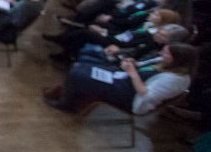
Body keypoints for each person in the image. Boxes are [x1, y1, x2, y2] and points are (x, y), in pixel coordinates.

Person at [45, 43, 195, 115]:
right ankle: (64, 94)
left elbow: (147, 95)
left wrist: (132, 73)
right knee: (80, 66)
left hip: (129, 96)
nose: (162, 53)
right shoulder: (165, 62)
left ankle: (66, 105)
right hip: (122, 81)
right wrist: (132, 64)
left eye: (166, 53)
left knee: (78, 74)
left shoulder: (176, 79)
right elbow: (142, 66)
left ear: (178, 59)